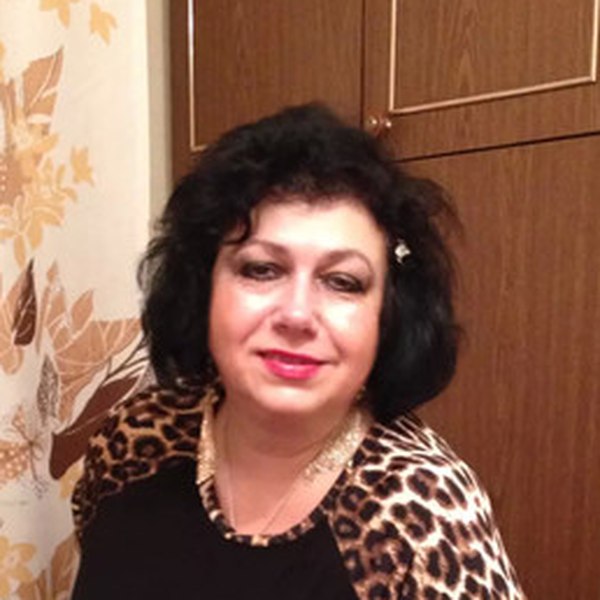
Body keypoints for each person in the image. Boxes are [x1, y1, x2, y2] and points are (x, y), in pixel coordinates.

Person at [71, 104, 524, 599]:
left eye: (343, 282)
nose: (297, 314)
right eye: (261, 270)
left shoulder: (423, 507)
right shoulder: (133, 442)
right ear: (204, 288)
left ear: (389, 314)